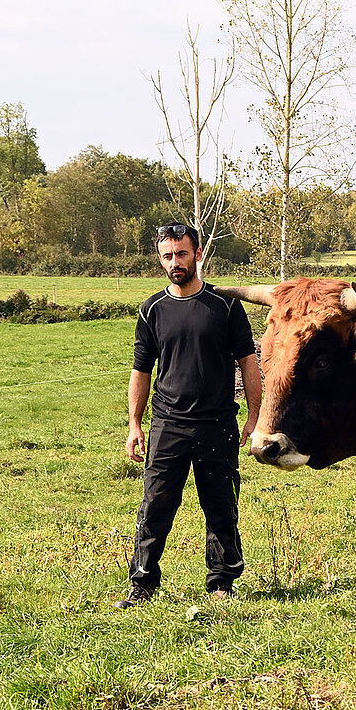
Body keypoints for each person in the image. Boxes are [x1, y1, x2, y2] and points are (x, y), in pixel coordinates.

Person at [117, 222, 263, 608]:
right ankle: (143, 585)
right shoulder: (151, 310)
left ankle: (221, 583)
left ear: (198, 254)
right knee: (156, 505)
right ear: (160, 259)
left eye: (182, 253)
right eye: (167, 256)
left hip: (218, 425)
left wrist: (254, 415)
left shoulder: (226, 305)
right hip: (168, 425)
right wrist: (135, 424)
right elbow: (141, 370)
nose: (175, 262)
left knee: (220, 505)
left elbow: (248, 361)